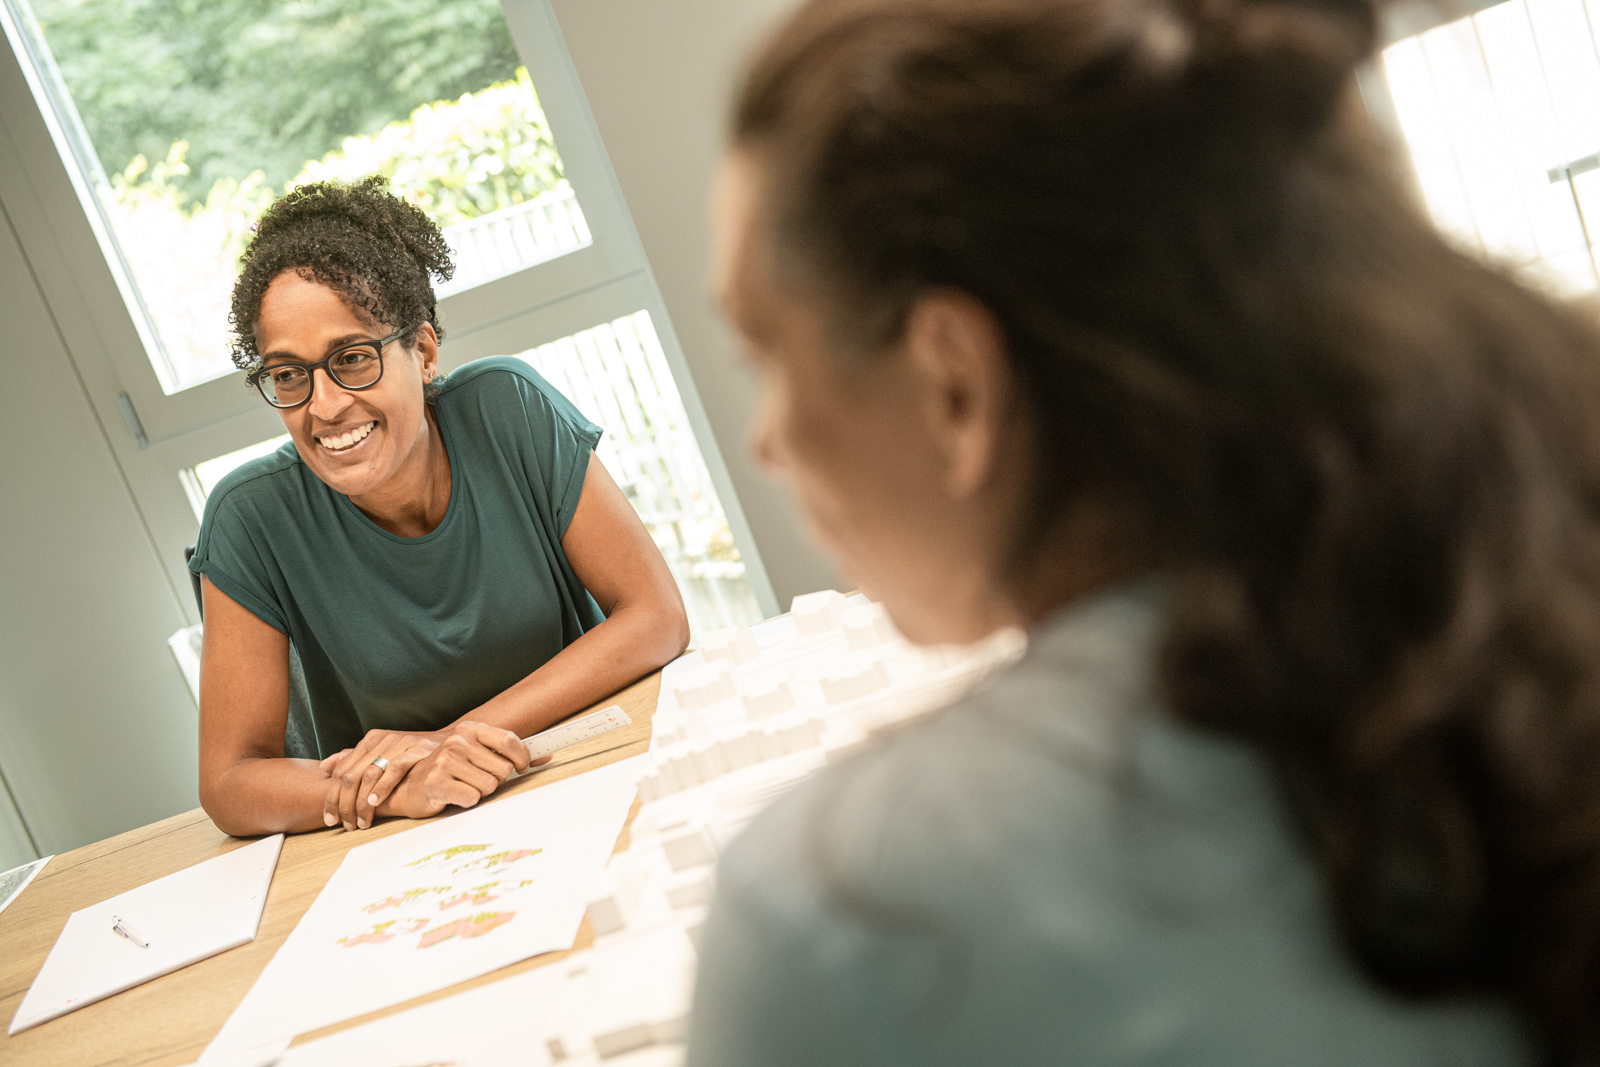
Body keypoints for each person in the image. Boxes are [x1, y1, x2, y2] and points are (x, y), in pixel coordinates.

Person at [686, 0, 1600, 1061]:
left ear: (955, 383)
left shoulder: (845, 915)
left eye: (766, 355)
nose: (764, 441)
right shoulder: (1516, 551)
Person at [191, 178, 689, 838]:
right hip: (410, 838)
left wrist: (447, 744)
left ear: (422, 353)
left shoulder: (508, 407)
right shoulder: (249, 519)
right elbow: (230, 781)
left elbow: (656, 616)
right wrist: (401, 789)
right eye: (289, 375)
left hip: (597, 768)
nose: (323, 405)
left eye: (353, 358)